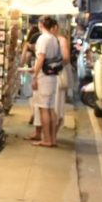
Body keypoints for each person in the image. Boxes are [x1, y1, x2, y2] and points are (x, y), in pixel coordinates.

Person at [31, 15, 62, 147]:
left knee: (44, 108)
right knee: (50, 109)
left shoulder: (43, 39)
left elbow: (41, 57)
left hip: (44, 76)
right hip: (53, 76)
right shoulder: (54, 39)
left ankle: (47, 139)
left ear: (41, 24)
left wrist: (34, 75)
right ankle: (53, 139)